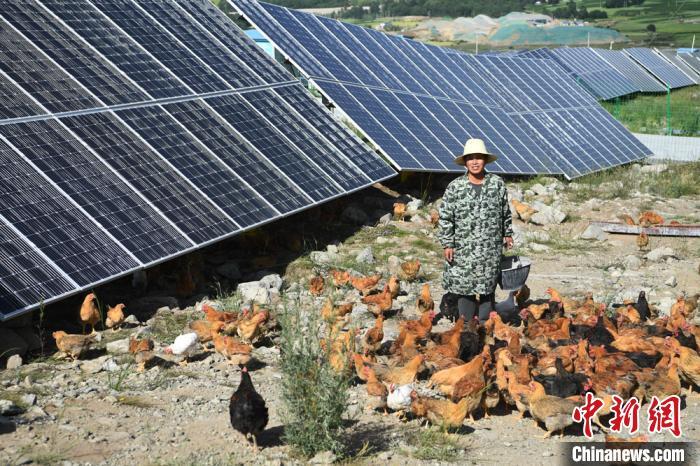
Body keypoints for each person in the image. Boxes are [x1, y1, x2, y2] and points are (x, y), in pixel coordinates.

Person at [438, 138, 514, 324]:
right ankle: (466, 325)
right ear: (465, 162)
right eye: (470, 158)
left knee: (488, 285)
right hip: (464, 248)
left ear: (485, 160)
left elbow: (505, 211)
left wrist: (507, 233)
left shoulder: (496, 184)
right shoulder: (455, 187)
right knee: (465, 286)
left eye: (478, 158)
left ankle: (484, 324)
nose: (474, 162)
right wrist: (448, 243)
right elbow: (446, 217)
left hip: (490, 247)